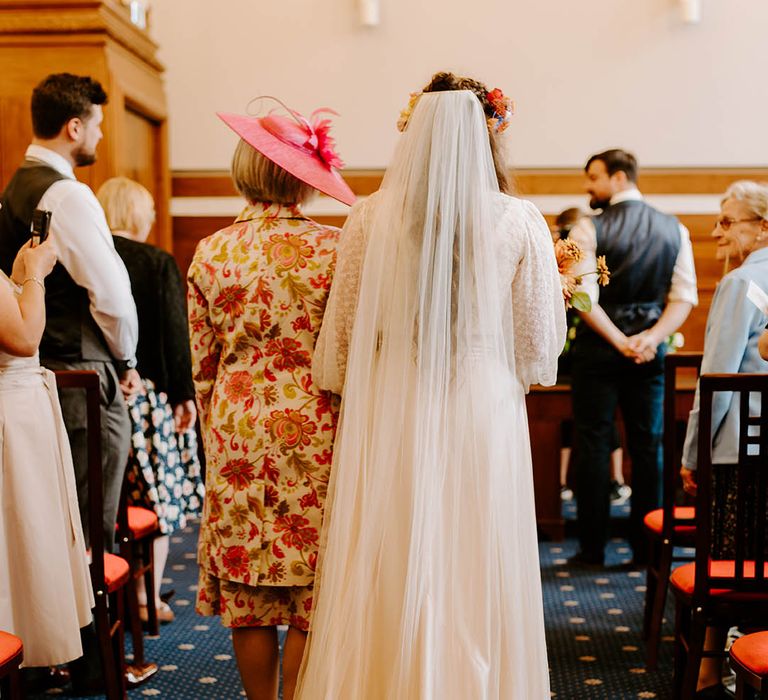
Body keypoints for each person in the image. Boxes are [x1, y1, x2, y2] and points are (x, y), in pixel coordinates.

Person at [297, 73, 566, 699]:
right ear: (488, 135)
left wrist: (356, 382)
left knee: (395, 542)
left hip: (397, 400)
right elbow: (539, 349)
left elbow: (341, 338)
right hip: (482, 400)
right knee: (476, 546)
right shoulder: (519, 219)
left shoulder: (367, 218)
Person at [188, 100, 354, 700]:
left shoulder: (211, 251)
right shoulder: (335, 249)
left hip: (236, 428)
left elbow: (201, 365)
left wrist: (217, 426)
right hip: (317, 425)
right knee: (312, 586)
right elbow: (353, 349)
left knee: (250, 593)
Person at [0, 72, 140, 692]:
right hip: (80, 368)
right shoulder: (68, 194)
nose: (102, 136)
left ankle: (58, 650)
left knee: (61, 517)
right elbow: (110, 292)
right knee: (93, 515)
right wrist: (128, 358)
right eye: (99, 124)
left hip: (32, 369)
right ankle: (89, 661)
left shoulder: (15, 185)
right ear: (75, 125)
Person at [567, 148, 698, 567]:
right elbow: (684, 297)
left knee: (593, 443)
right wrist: (650, 338)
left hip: (598, 352)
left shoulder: (589, 227)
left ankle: (592, 550)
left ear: (619, 178)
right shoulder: (673, 228)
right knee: (649, 447)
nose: (590, 186)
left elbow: (585, 297)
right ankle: (648, 550)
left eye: (595, 177)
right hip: (650, 353)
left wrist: (620, 341)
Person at [97, 176, 205, 624]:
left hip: (101, 393)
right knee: (159, 499)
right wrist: (184, 395)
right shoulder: (156, 261)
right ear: (139, 214)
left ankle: (107, 587)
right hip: (149, 401)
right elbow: (176, 336)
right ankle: (147, 596)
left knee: (108, 502)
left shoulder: (89, 260)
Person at [679, 181, 768, 698]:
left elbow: (716, 382)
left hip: (742, 456)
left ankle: (713, 670)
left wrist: (694, 455)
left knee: (731, 563)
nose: (716, 231)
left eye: (727, 220)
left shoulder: (741, 284)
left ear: (762, 227)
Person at [0, 239, 94, 669]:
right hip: (11, 423)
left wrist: (21, 279)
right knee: (20, 532)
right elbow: (23, 337)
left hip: (21, 416)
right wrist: (36, 272)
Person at [552, 207, 629, 504]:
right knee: (571, 419)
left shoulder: (590, 260)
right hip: (566, 354)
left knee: (604, 419)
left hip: (590, 343)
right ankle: (559, 481)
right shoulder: (556, 260)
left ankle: (616, 479)